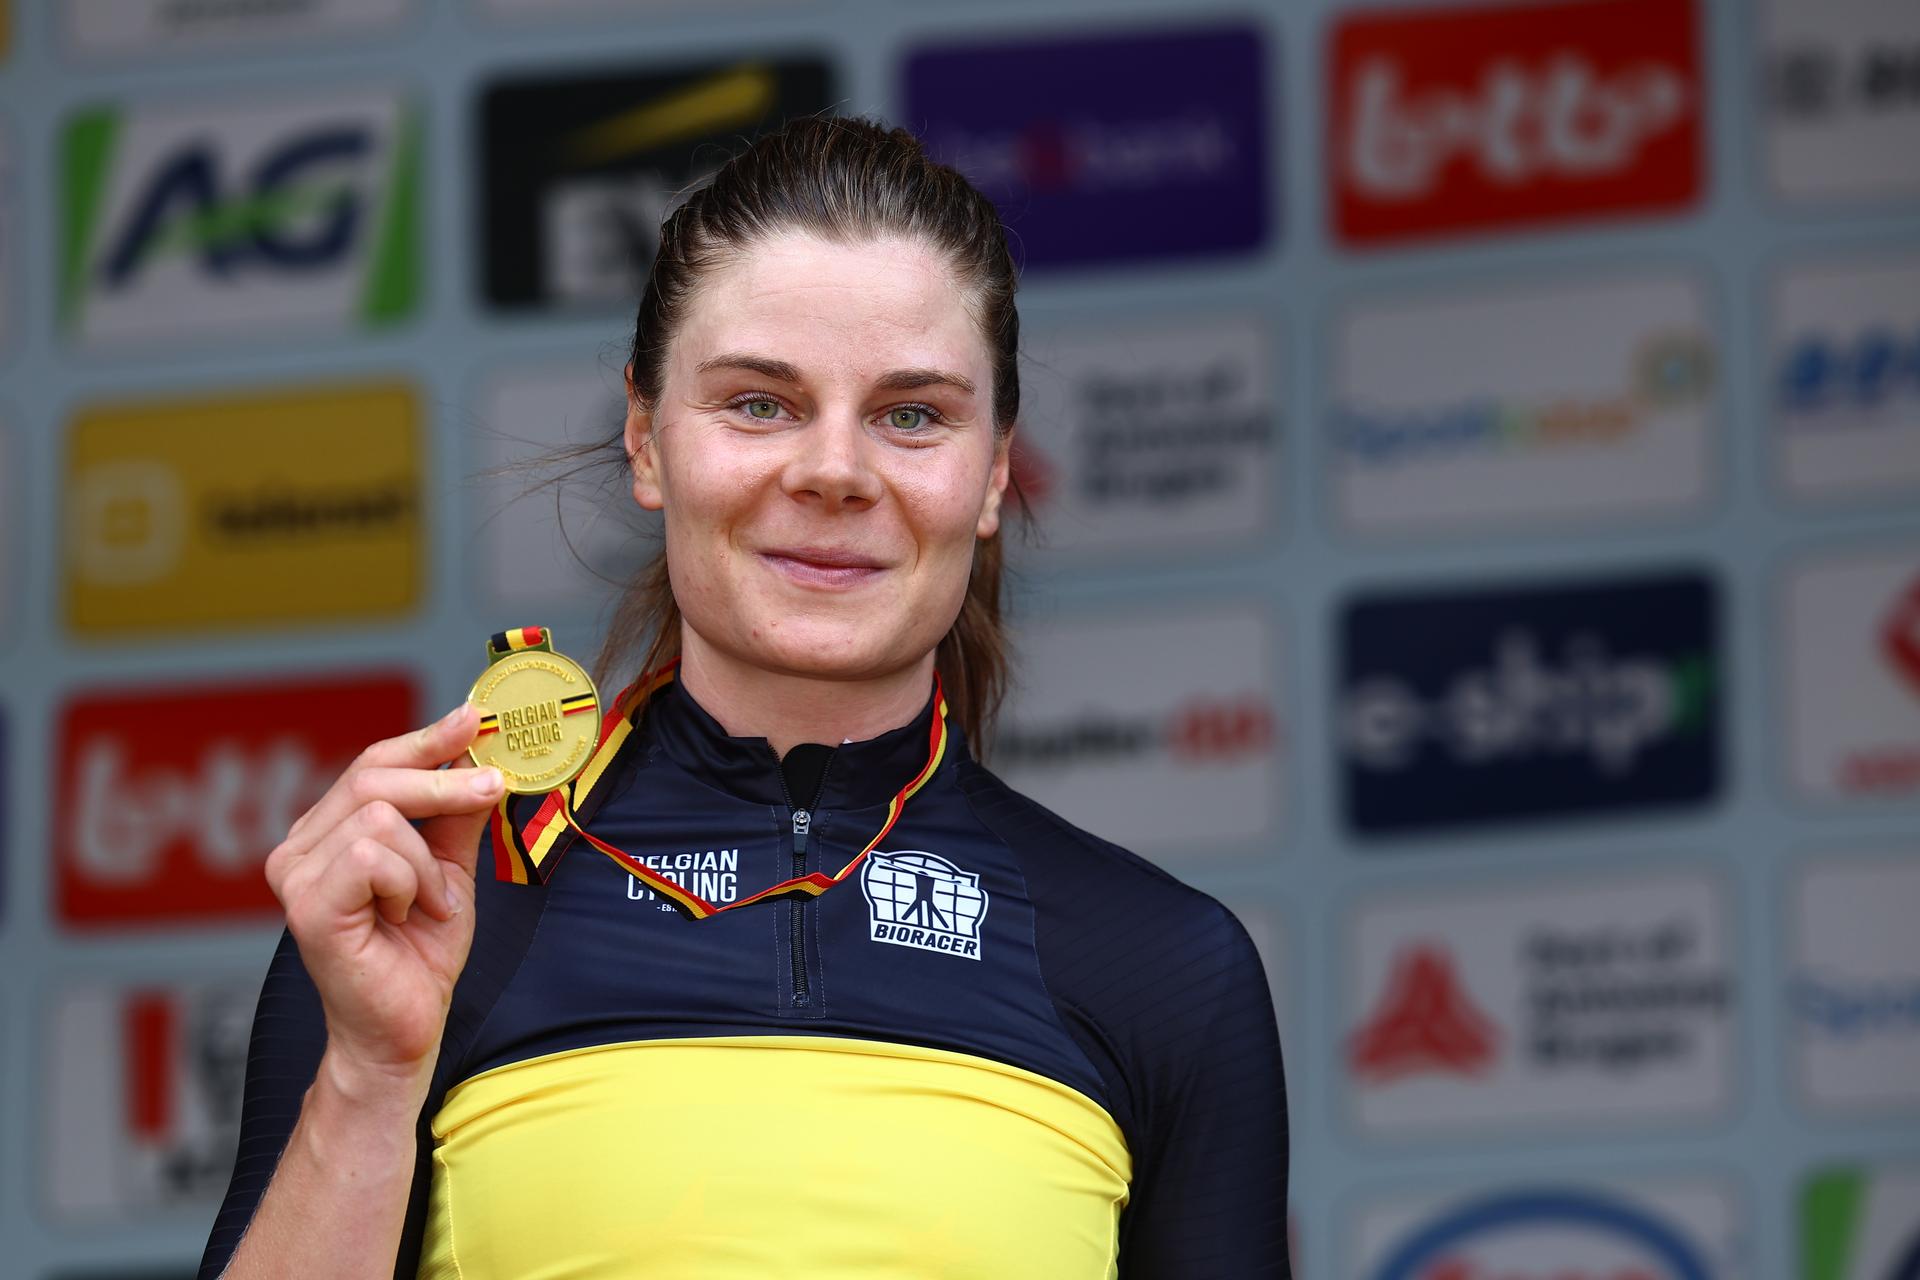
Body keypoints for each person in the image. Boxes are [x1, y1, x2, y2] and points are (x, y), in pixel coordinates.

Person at [198, 114, 1289, 1279]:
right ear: (646, 438)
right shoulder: (444, 912)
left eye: (911, 413)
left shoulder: (1162, 966)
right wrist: (368, 1074)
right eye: (760, 402)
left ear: (994, 471)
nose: (832, 470)